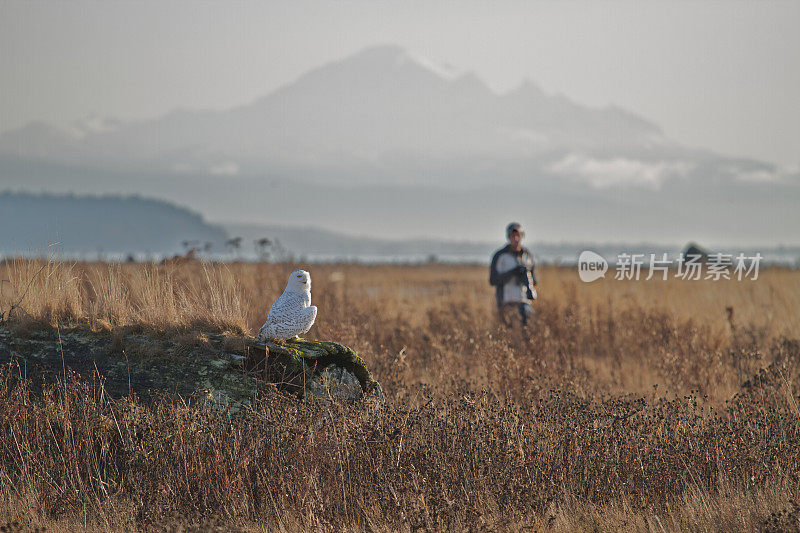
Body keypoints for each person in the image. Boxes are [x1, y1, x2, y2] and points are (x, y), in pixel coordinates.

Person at [489, 222, 537, 326]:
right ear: (508, 237)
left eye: (518, 235)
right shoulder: (500, 256)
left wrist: (525, 275)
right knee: (509, 334)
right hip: (506, 302)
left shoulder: (528, 256)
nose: (515, 239)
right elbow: (493, 280)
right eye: (512, 236)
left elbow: (534, 280)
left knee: (529, 329)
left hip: (524, 302)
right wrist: (513, 272)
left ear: (522, 236)